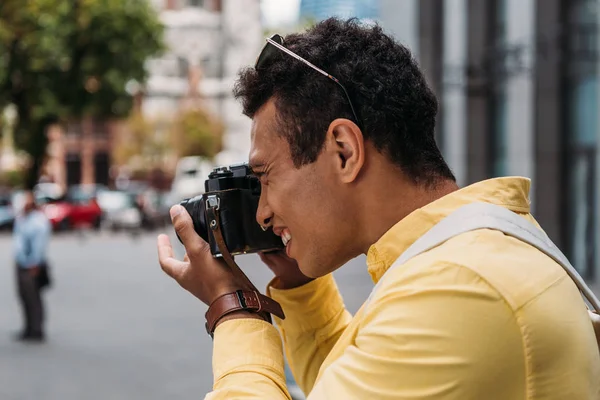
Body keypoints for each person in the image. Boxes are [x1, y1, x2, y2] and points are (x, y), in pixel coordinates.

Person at [157, 18, 600, 399]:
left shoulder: (462, 288)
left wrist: (234, 308)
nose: (262, 213)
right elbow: (359, 379)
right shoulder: (469, 259)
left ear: (345, 150)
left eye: (267, 176)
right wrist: (300, 286)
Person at [13, 191, 52, 342]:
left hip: (31, 265)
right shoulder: (23, 218)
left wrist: (34, 263)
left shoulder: (38, 221)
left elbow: (39, 245)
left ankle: (37, 329)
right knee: (24, 297)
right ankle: (28, 328)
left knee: (33, 298)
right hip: (21, 262)